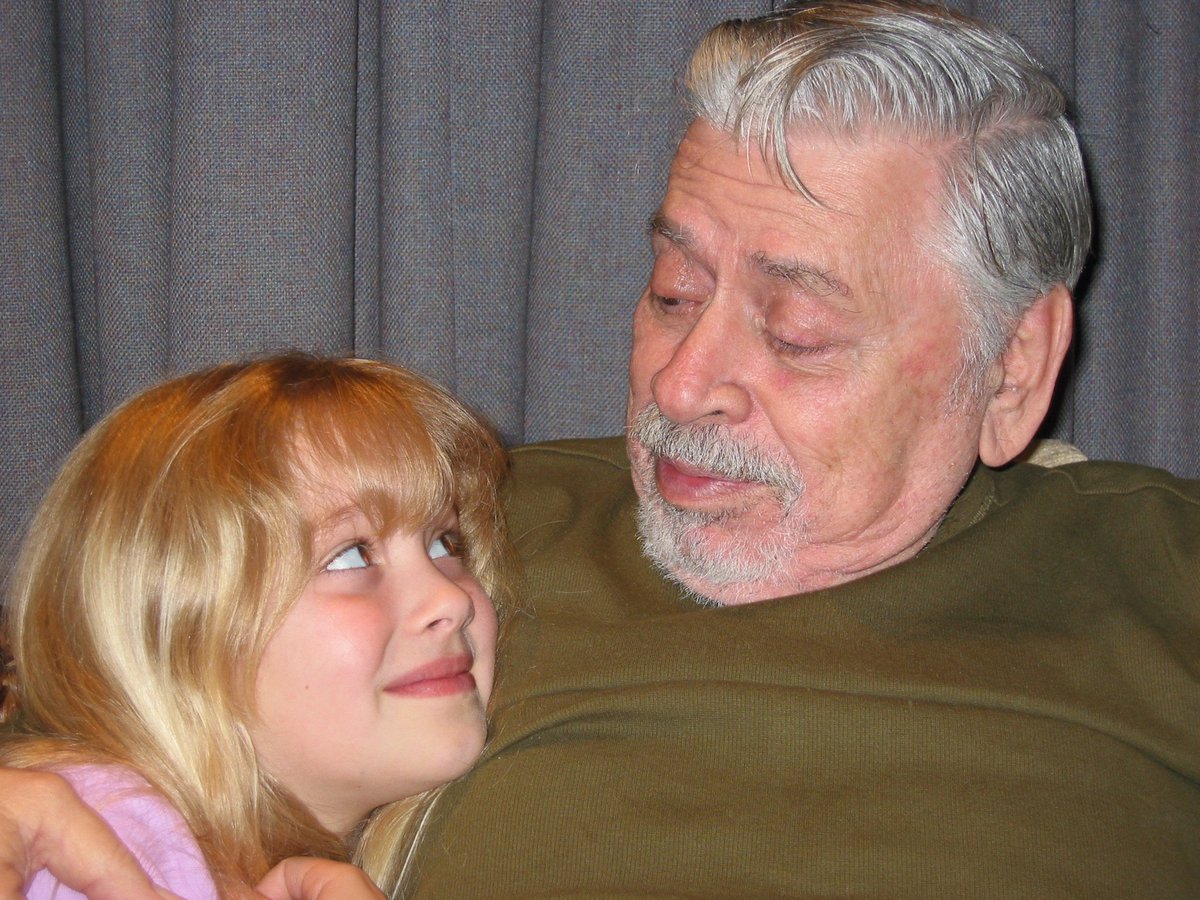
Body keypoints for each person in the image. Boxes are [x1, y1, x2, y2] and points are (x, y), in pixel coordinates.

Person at [2, 1, 1198, 897]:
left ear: (1018, 368)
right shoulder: (470, 518)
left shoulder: (1167, 574)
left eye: (797, 330)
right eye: (674, 290)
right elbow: (119, 680)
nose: (679, 386)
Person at [0, 354, 512, 899]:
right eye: (349, 557)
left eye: (445, 543)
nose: (449, 598)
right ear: (173, 633)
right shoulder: (96, 841)